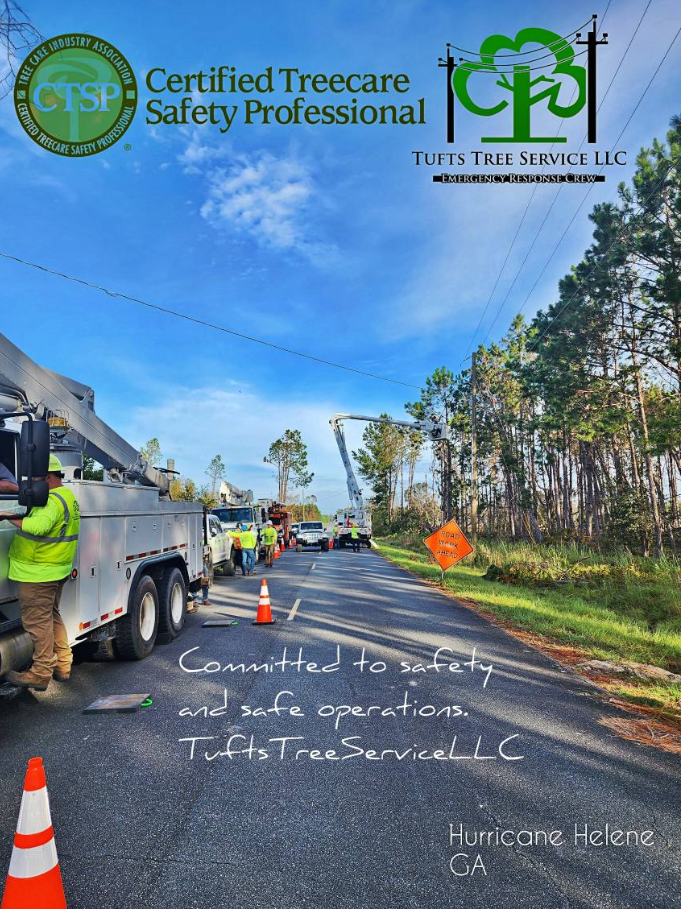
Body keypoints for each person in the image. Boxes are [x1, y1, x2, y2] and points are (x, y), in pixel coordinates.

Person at [0, 454, 80, 690]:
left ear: (47, 476)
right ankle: (63, 664)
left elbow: (38, 527)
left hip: (38, 573)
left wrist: (6, 516)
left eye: (35, 477)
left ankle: (40, 672)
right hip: (54, 569)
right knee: (52, 616)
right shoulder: (67, 496)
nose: (31, 481)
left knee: (37, 623)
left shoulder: (52, 500)